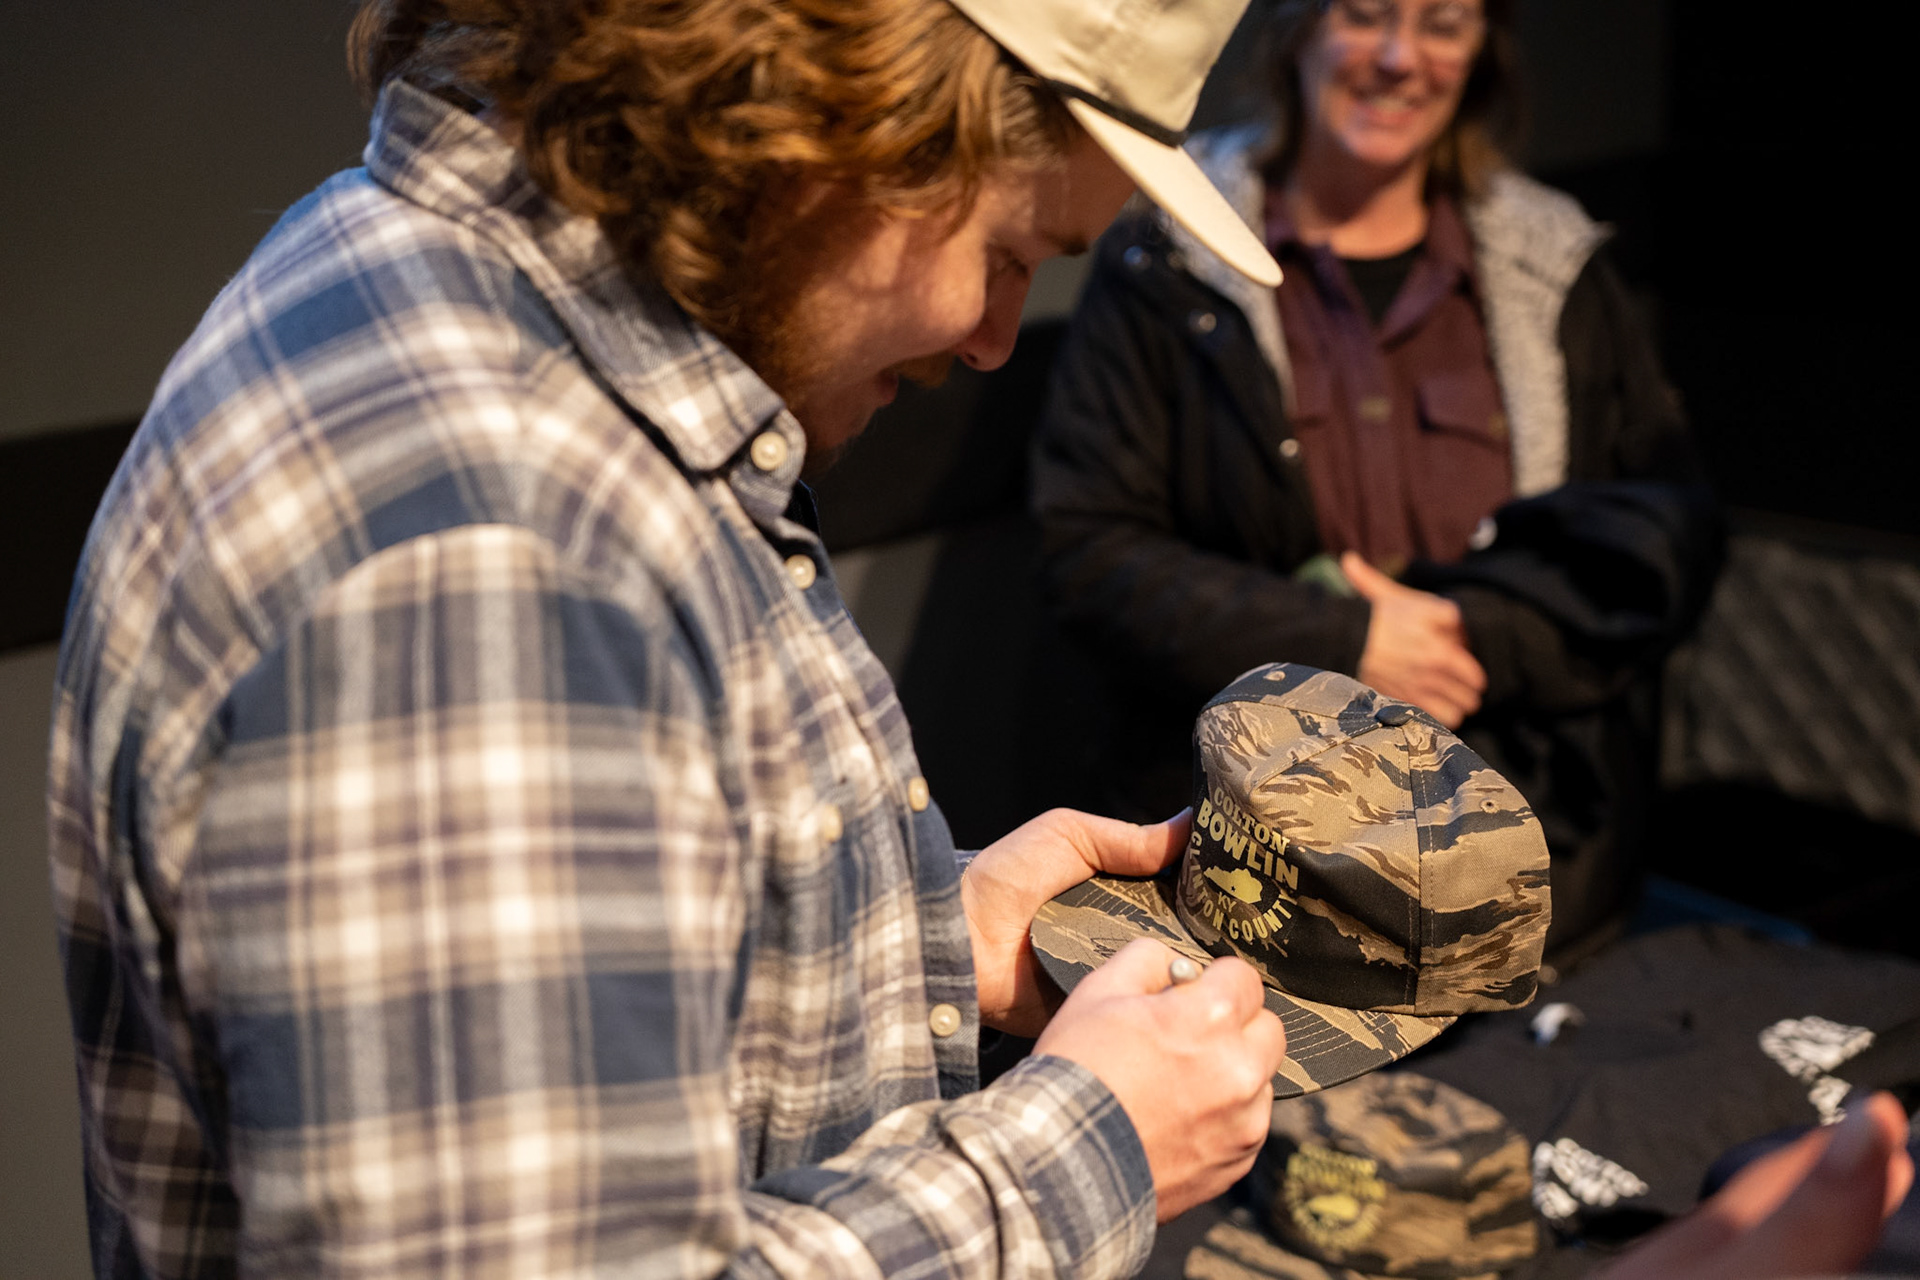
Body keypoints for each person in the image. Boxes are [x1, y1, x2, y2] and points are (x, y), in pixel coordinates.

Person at [43, 1, 1902, 1279]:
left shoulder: (481, 346)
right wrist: (1090, 1141)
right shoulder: (487, 554)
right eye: (1012, 249)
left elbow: (609, 1024)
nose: (1001, 338)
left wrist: (925, 936)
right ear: (856, 112)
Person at [1031, 0, 1722, 958]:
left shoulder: (1553, 260)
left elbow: (1668, 535)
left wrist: (1472, 636)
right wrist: (1343, 642)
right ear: (1299, 30)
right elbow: (1091, 552)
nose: (1401, 57)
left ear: (1483, 51)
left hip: (1530, 895)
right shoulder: (1169, 253)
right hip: (1262, 898)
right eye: (1365, 14)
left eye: (1443, 24)